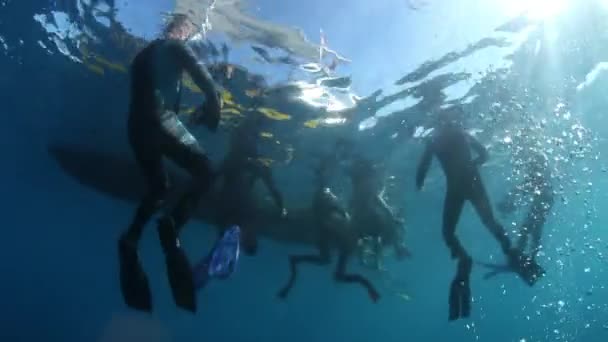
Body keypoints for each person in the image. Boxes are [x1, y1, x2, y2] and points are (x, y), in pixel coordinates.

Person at [117, 14, 222, 313]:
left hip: (136, 128)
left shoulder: (144, 55)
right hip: (158, 121)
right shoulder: (175, 46)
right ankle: (171, 229)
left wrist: (186, 116)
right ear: (182, 29)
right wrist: (213, 99)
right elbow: (199, 72)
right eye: (189, 30)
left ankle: (130, 238)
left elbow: (156, 90)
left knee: (158, 187)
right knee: (205, 172)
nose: (190, 35)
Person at [415, 109, 544, 320]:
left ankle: (465, 259)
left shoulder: (435, 141)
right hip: (473, 183)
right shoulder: (460, 134)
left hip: (456, 188)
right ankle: (509, 251)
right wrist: (473, 165)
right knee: (489, 222)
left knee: (449, 232)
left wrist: (419, 182)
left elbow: (423, 168)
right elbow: (485, 154)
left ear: (438, 124)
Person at [277, 145, 380, 302]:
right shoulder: (350, 242)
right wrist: (368, 286)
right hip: (326, 216)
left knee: (326, 258)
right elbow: (340, 275)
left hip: (326, 219)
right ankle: (326, 162)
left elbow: (339, 275)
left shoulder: (350, 243)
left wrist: (368, 286)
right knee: (324, 193)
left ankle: (326, 163)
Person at [215, 113, 287, 255]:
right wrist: (281, 207)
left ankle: (232, 242)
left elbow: (273, 189)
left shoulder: (242, 161)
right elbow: (273, 190)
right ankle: (233, 242)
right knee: (237, 217)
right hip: (235, 204)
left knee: (235, 217)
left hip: (233, 204)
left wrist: (281, 207)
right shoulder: (238, 161)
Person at [483, 149, 554, 279]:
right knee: (531, 229)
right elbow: (527, 186)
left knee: (529, 228)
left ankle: (521, 257)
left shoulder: (537, 163)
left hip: (544, 200)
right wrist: (511, 201)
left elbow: (527, 186)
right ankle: (527, 257)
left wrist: (510, 201)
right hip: (546, 199)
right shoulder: (539, 163)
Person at [349, 156, 411, 266]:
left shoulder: (358, 190)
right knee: (377, 233)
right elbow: (383, 206)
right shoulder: (368, 188)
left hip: (361, 220)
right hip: (369, 220)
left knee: (369, 235)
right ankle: (377, 262)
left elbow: (353, 206)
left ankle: (367, 260)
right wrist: (390, 215)